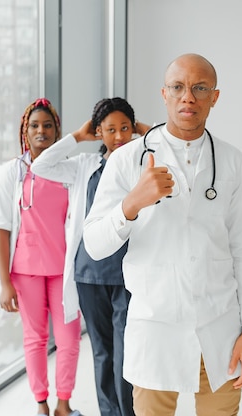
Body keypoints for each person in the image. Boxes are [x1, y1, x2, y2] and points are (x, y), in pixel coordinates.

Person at [83, 53, 242, 416]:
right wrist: (133, 202)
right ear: (164, 94)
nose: (188, 97)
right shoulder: (128, 160)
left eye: (199, 88)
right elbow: (95, 245)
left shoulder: (230, 160)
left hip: (220, 328)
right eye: (178, 87)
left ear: (215, 96)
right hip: (155, 329)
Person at [31, 97, 150, 416]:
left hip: (128, 272)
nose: (120, 135)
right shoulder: (85, 166)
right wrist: (78, 137)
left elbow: (172, 156)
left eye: (126, 127)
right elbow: (40, 165)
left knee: (127, 351)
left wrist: (146, 132)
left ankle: (129, 412)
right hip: (89, 272)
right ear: (99, 132)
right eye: (110, 129)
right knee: (102, 352)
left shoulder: (143, 164)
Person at [0, 98, 83, 416]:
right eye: (34, 125)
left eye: (47, 125)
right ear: (24, 132)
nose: (41, 130)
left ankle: (64, 404)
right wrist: (4, 282)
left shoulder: (71, 170)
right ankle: (41, 403)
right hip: (25, 271)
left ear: (57, 131)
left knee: (69, 340)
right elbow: (0, 229)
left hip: (63, 270)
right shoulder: (10, 174)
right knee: (35, 338)